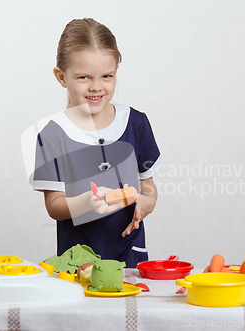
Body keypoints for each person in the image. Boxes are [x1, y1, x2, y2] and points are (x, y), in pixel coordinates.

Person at [32, 18, 162, 267]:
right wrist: (85, 203)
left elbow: (148, 187)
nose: (96, 87)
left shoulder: (136, 123)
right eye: (83, 77)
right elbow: (54, 205)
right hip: (78, 261)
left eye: (106, 76)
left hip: (130, 256)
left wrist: (146, 202)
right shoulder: (51, 135)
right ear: (61, 76)